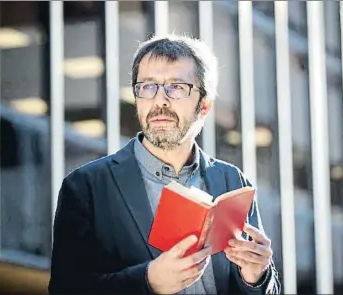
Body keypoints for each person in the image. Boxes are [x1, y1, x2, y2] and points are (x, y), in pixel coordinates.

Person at [48, 33, 281, 295]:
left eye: (177, 87)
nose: (160, 101)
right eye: (148, 87)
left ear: (204, 105)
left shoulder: (233, 182)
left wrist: (256, 278)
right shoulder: (85, 187)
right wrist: (147, 282)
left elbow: (263, 288)